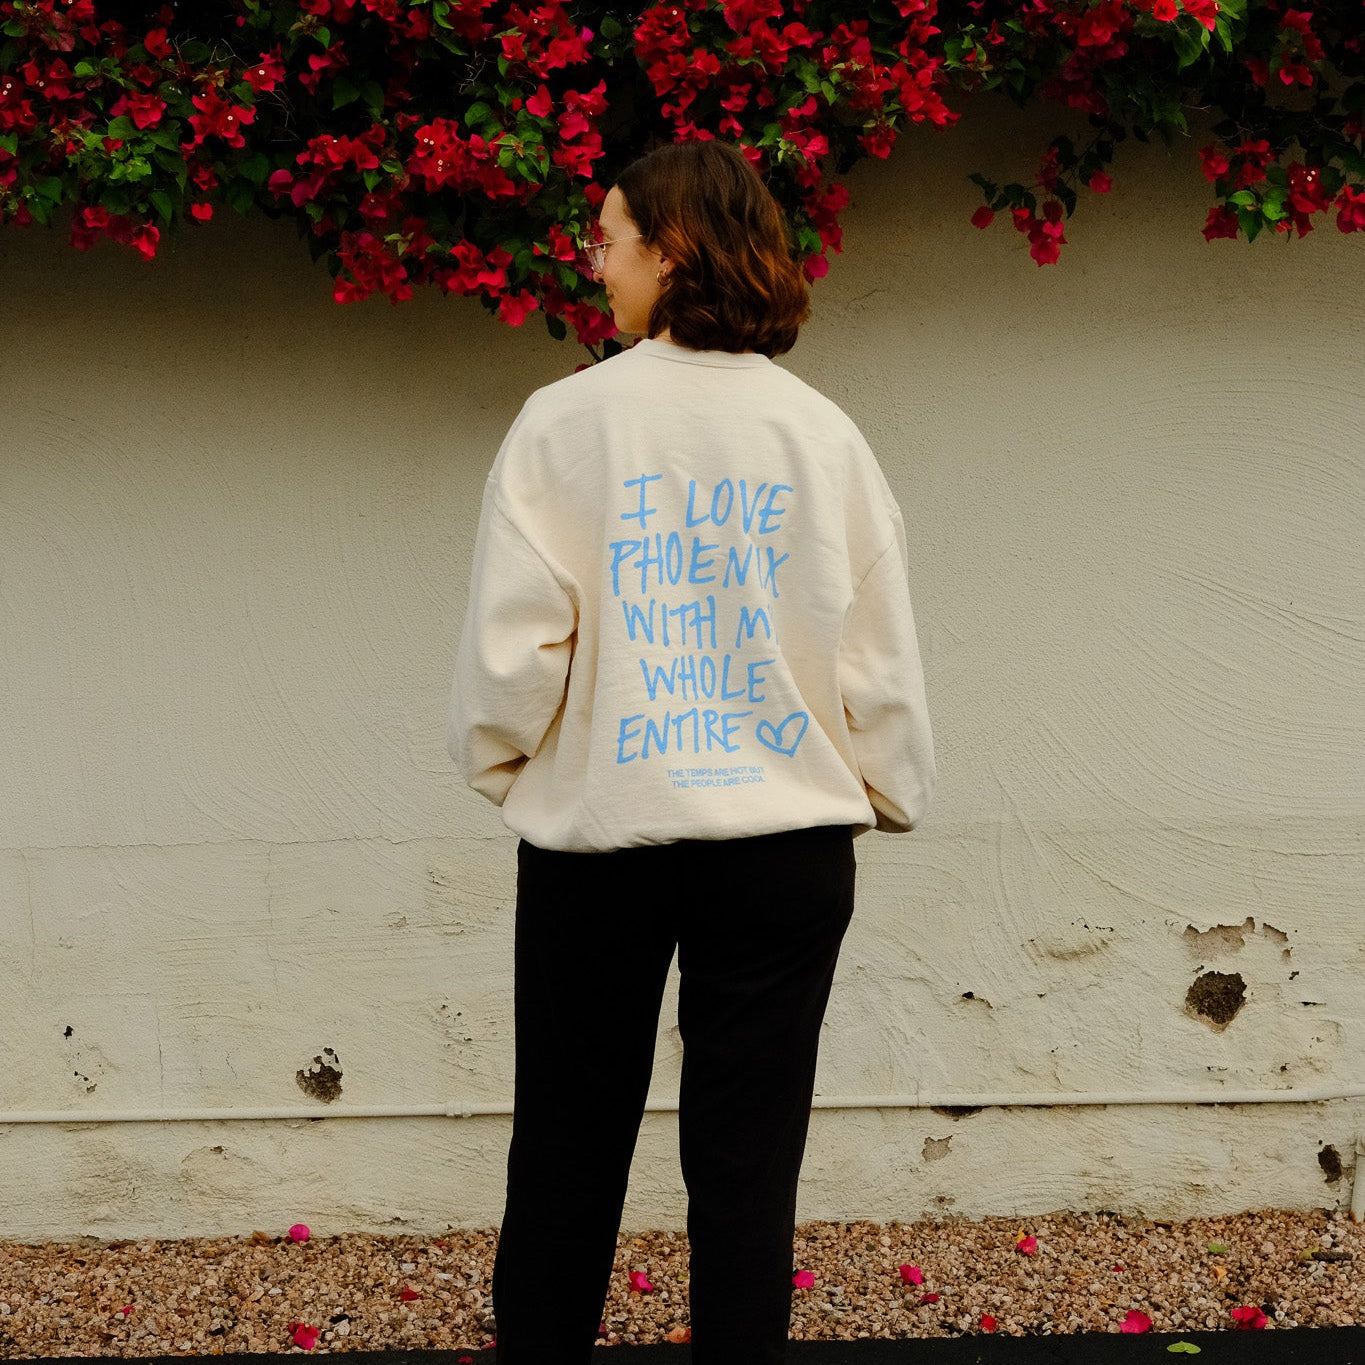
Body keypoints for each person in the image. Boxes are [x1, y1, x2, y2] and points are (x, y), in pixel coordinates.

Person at [447, 140, 936, 1364]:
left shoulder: (566, 424)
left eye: (608, 239)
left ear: (669, 252)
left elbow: (514, 658)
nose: (595, 262)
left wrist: (511, 769)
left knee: (565, 1146)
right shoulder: (822, 437)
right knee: (747, 1164)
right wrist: (878, 790)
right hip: (784, 844)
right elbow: (874, 653)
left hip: (602, 838)